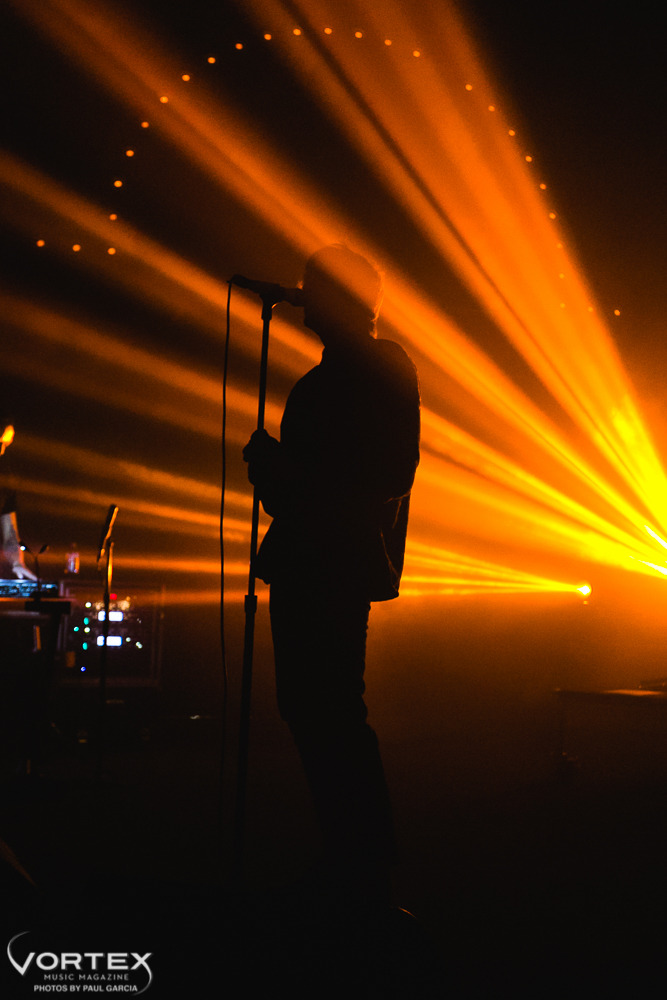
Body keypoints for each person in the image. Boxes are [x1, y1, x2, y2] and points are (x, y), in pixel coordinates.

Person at [243, 245, 420, 905]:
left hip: (334, 560)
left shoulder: (381, 366)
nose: (300, 297)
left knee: (333, 710)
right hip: (309, 559)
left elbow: (389, 472)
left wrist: (285, 472)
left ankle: (363, 866)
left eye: (312, 287)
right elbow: (302, 493)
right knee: (312, 708)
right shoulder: (317, 383)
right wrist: (275, 476)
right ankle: (350, 858)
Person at [1, 422, 36, 581]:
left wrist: (17, 562)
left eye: (6, 443)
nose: (3, 448)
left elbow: (10, 534)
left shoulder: (6, 482)